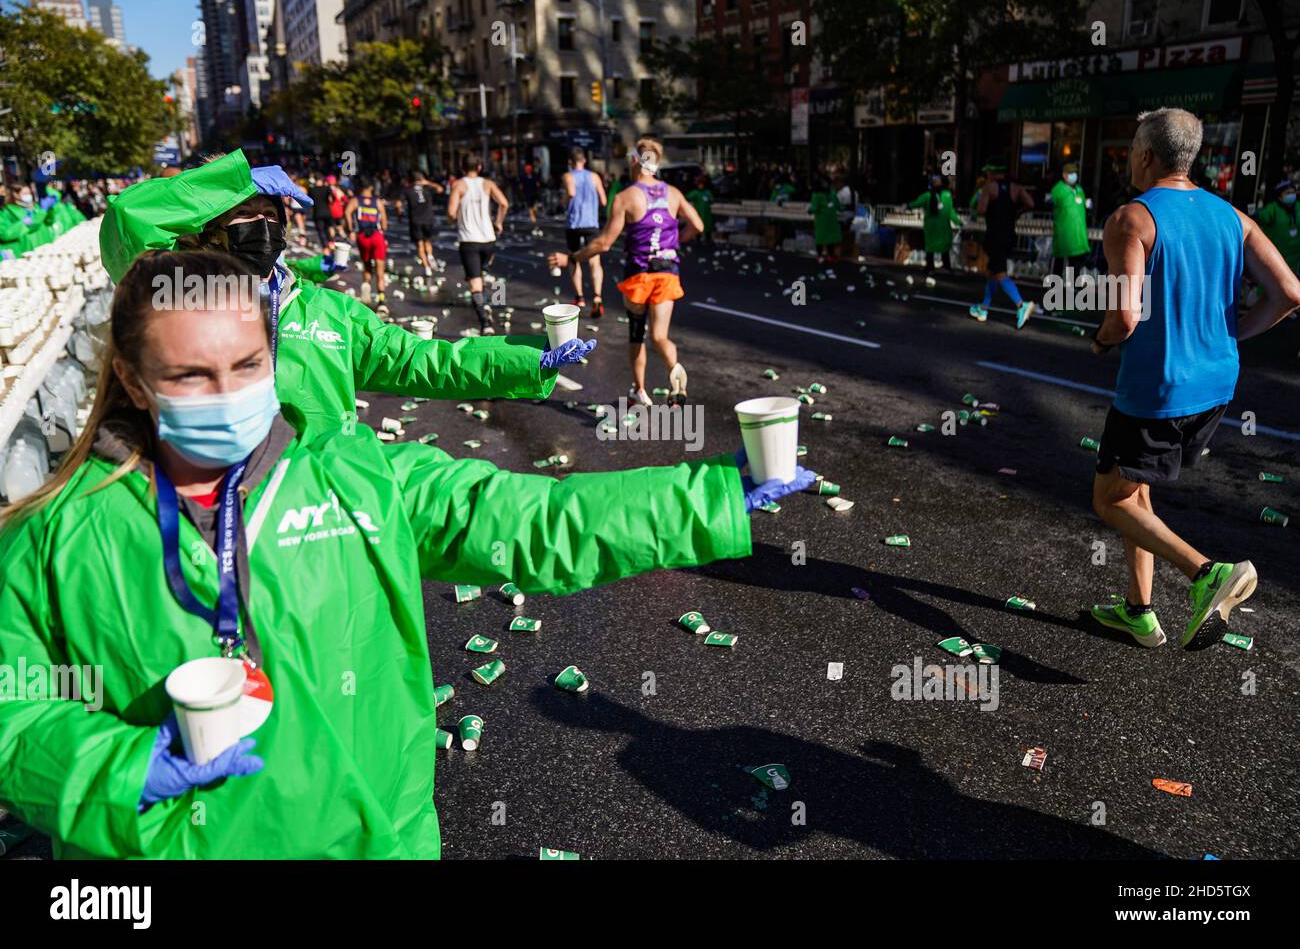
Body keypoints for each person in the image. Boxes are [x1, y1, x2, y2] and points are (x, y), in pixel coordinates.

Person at [0, 247, 814, 859]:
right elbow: (12, 712)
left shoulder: (358, 475)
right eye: (191, 376)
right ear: (137, 385)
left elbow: (524, 516)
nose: (230, 395)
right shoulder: (53, 535)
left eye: (248, 365)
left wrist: (704, 499)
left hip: (377, 841)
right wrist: (116, 767)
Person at [97, 150, 590, 442]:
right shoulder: (182, 298)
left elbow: (423, 361)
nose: (266, 225)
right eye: (245, 214)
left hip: (322, 504)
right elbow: (128, 220)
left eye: (273, 215)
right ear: (205, 230)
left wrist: (531, 358)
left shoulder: (325, 311)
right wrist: (227, 182)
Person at [1088, 108, 1300, 650]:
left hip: (1158, 389)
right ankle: (1138, 612)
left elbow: (1125, 316)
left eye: (1133, 148)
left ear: (1145, 155)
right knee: (1137, 489)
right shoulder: (1233, 216)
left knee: (1109, 499)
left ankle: (1207, 572)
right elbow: (1290, 294)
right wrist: (1233, 333)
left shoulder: (1130, 219)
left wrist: (1100, 338)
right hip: (1216, 387)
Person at [548, 136, 704, 409]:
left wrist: (572, 257)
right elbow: (698, 226)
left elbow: (604, 243)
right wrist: (675, 242)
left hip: (639, 274)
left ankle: (639, 390)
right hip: (668, 272)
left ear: (635, 162)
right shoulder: (673, 193)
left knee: (636, 332)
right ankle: (676, 374)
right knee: (659, 336)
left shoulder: (626, 197)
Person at [968, 159, 1037, 328]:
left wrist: (981, 201)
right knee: (991, 271)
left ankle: (1022, 304)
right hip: (1009, 235)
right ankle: (983, 308)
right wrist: (1016, 212)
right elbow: (1031, 203)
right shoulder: (1016, 187)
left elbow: (981, 210)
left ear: (991, 172)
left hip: (994, 235)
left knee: (999, 272)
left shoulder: (989, 187)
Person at [447, 154, 510, 335]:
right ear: (480, 167)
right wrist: (498, 222)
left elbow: (451, 213)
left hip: (469, 240)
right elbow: (504, 203)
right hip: (488, 239)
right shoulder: (488, 184)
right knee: (486, 275)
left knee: (475, 283)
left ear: (461, 167)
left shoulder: (458, 185)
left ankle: (485, 323)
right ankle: (494, 302)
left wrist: (456, 218)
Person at [562, 147, 608, 317]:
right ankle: (597, 296)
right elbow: (603, 200)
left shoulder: (568, 176)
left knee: (574, 259)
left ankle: (580, 297)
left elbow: (571, 193)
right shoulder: (594, 176)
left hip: (574, 223)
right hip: (591, 223)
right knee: (594, 261)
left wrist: (564, 201)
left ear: (570, 162)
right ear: (584, 161)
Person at [345, 177, 389, 309]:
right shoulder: (378, 201)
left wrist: (351, 229)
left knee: (366, 264)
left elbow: (347, 212)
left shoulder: (355, 201)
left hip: (363, 236)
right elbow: (384, 221)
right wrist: (383, 228)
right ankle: (381, 300)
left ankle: (366, 286)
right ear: (371, 188)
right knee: (380, 269)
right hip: (376, 236)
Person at [907, 173, 961, 271]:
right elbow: (951, 212)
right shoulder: (947, 196)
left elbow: (916, 204)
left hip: (931, 228)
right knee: (944, 247)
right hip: (944, 228)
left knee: (930, 247)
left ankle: (930, 267)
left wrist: (907, 206)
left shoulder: (926, 196)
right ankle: (946, 266)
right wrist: (958, 222)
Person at [1049, 162, 1091, 277]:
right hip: (1064, 234)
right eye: (1071, 173)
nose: (1074, 175)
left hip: (1078, 235)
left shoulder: (1079, 189)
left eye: (1075, 173)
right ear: (1064, 175)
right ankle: (1054, 290)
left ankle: (1072, 290)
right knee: (1059, 263)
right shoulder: (1058, 190)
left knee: (1075, 265)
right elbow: (1049, 204)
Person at [1254, 179, 1300, 278]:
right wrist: (1256, 214)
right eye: (1287, 193)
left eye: (1292, 192)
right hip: (1278, 255)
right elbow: (1263, 217)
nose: (1291, 195)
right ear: (1280, 196)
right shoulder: (1273, 208)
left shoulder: (1298, 207)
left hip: (1296, 257)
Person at [404, 170, 445, 279]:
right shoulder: (427, 189)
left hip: (415, 221)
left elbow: (399, 204)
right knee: (427, 241)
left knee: (419, 245)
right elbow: (441, 189)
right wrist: (429, 183)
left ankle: (427, 268)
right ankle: (430, 256)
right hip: (428, 219)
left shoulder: (408, 191)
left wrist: (399, 214)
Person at [808, 179, 843, 262]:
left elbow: (815, 208)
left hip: (821, 219)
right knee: (830, 238)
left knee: (820, 237)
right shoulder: (832, 193)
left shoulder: (816, 195)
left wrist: (809, 210)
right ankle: (831, 256)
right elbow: (838, 206)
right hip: (832, 219)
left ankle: (820, 256)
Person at [686, 172, 715, 247]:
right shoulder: (695, 193)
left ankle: (708, 241)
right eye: (699, 184)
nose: (701, 185)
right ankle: (697, 241)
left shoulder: (707, 192)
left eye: (702, 184)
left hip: (707, 215)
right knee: (698, 227)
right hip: (699, 214)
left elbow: (711, 200)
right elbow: (687, 197)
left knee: (707, 228)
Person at [308, 173, 334, 249]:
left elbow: (310, 202)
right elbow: (331, 200)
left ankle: (325, 246)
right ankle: (331, 242)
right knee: (329, 227)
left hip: (317, 212)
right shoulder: (327, 188)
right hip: (327, 212)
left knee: (321, 230)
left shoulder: (312, 190)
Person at [520, 160, 541, 235]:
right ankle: (534, 222)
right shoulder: (523, 176)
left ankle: (535, 219)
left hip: (534, 194)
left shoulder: (534, 175)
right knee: (530, 209)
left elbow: (538, 184)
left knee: (534, 208)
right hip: (528, 194)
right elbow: (521, 186)